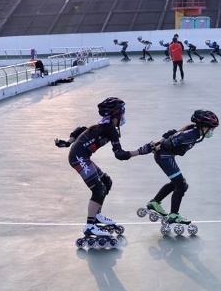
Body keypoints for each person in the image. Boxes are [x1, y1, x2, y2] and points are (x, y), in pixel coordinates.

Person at [53, 97, 153, 238]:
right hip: (78, 157)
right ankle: (89, 226)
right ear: (116, 114)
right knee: (98, 189)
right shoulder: (109, 128)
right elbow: (120, 154)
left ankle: (97, 216)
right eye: (123, 112)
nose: (124, 115)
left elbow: (82, 129)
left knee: (106, 182)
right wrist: (142, 151)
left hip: (82, 156)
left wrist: (68, 142)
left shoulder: (104, 124)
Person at [145, 110, 220, 226]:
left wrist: (159, 145)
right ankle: (174, 215)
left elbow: (172, 133)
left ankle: (155, 203)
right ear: (204, 127)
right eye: (211, 129)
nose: (211, 132)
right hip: (165, 158)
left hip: (165, 157)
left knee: (176, 183)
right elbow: (169, 142)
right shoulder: (191, 134)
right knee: (181, 185)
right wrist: (157, 146)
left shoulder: (193, 132)